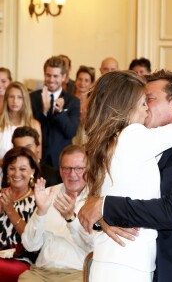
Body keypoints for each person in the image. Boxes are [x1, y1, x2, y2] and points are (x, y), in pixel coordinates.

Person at [79, 70, 172, 282]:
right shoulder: (134, 140)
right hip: (138, 264)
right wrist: (101, 216)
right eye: (142, 100)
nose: (145, 106)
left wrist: (105, 207)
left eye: (149, 99)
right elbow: (90, 200)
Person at [19, 145, 93, 282]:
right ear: (60, 170)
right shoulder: (48, 194)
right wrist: (40, 213)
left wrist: (71, 219)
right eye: (67, 168)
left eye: (79, 169)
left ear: (88, 170)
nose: (72, 174)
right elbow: (30, 245)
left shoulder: (95, 200)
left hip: (76, 273)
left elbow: (93, 246)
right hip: (41, 272)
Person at [30, 56, 80, 169]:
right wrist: (44, 111)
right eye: (48, 75)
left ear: (63, 77)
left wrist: (60, 112)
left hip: (60, 160)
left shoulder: (73, 101)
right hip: (37, 159)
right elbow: (30, 129)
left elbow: (71, 132)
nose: (51, 80)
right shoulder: (32, 97)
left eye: (55, 76)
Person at [0, 147, 40, 282]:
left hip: (22, 258)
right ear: (6, 171)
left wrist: (10, 210)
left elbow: (32, 241)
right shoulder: (1, 195)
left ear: (32, 171)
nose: (16, 173)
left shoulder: (39, 200)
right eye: (12, 168)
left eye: (23, 169)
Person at [0, 82, 41, 173]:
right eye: (11, 97)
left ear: (25, 100)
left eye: (19, 97)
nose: (15, 101)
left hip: (25, 176)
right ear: (6, 99)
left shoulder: (34, 125)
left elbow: (38, 157)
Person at [72, 65, 95, 146]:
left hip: (87, 139)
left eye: (86, 80)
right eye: (80, 79)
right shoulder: (68, 100)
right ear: (75, 81)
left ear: (91, 84)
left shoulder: (93, 103)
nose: (82, 83)